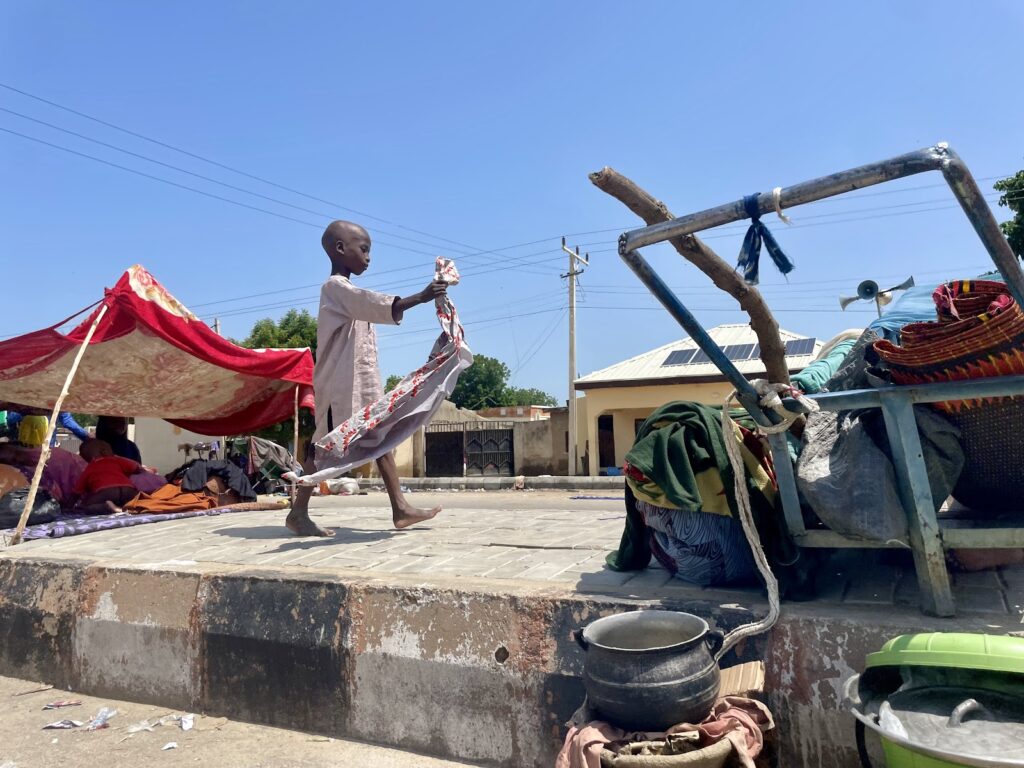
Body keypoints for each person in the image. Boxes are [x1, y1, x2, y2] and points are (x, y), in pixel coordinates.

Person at [287, 220, 448, 536]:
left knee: (379, 436)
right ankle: (298, 513)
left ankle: (400, 508)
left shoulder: (346, 292)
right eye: (364, 249)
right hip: (339, 387)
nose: (369, 257)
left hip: (358, 383)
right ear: (340, 249)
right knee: (322, 449)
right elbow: (371, 304)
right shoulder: (335, 288)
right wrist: (421, 296)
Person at [74, 439, 141, 514]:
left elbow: (77, 491)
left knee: (87, 506)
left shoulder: (90, 467)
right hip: (128, 489)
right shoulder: (116, 460)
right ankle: (136, 506)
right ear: (104, 451)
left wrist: (69, 505)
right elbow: (136, 468)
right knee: (137, 499)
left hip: (106, 491)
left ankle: (107, 507)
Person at [5, 411, 91, 444]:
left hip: (39, 448)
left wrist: (86, 437)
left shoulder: (58, 397)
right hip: (41, 447)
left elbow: (10, 420)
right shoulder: (58, 397)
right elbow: (68, 421)